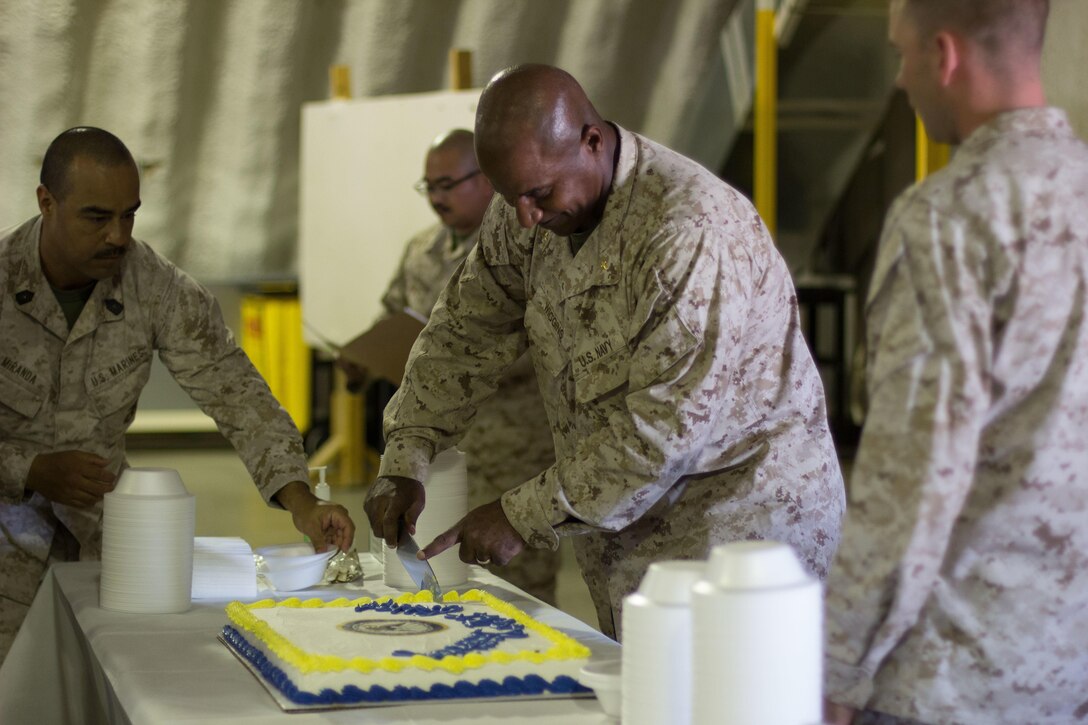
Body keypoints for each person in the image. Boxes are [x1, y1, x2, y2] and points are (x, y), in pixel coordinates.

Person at [365, 64, 845, 639]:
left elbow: (663, 431)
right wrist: (408, 451)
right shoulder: (531, 205)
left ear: (592, 140)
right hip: (625, 529)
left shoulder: (686, 231)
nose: (526, 218)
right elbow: (464, 332)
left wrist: (520, 513)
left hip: (739, 533)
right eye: (509, 196)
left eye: (539, 194)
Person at [822, 2, 1088, 723]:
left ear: (944, 56)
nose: (902, 79)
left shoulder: (948, 218)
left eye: (901, 55)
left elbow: (911, 474)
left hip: (952, 678)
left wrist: (836, 664)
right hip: (1069, 667)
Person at [0, 127, 355, 663]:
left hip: (106, 550)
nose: (118, 235)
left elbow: (239, 395)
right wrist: (27, 470)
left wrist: (299, 499)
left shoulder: (155, 288)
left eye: (130, 214)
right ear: (46, 203)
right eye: (97, 217)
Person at [340, 129, 560, 603]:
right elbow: (396, 312)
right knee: (435, 571)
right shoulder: (422, 249)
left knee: (520, 584)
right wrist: (368, 355)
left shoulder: (533, 238)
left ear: (485, 180)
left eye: (446, 184)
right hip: (435, 449)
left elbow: (538, 338)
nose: (436, 198)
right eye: (429, 187)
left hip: (511, 446)